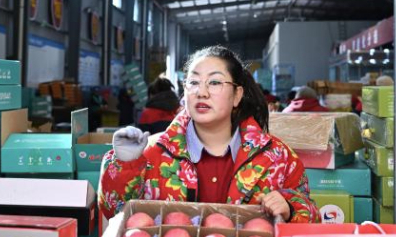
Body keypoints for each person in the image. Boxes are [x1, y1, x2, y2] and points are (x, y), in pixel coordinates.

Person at [98, 45, 319, 223]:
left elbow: (311, 216)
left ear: (237, 95)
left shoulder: (278, 158)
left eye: (214, 82)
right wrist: (125, 165)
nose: (201, 92)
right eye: (193, 82)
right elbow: (113, 212)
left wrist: (290, 207)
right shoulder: (151, 153)